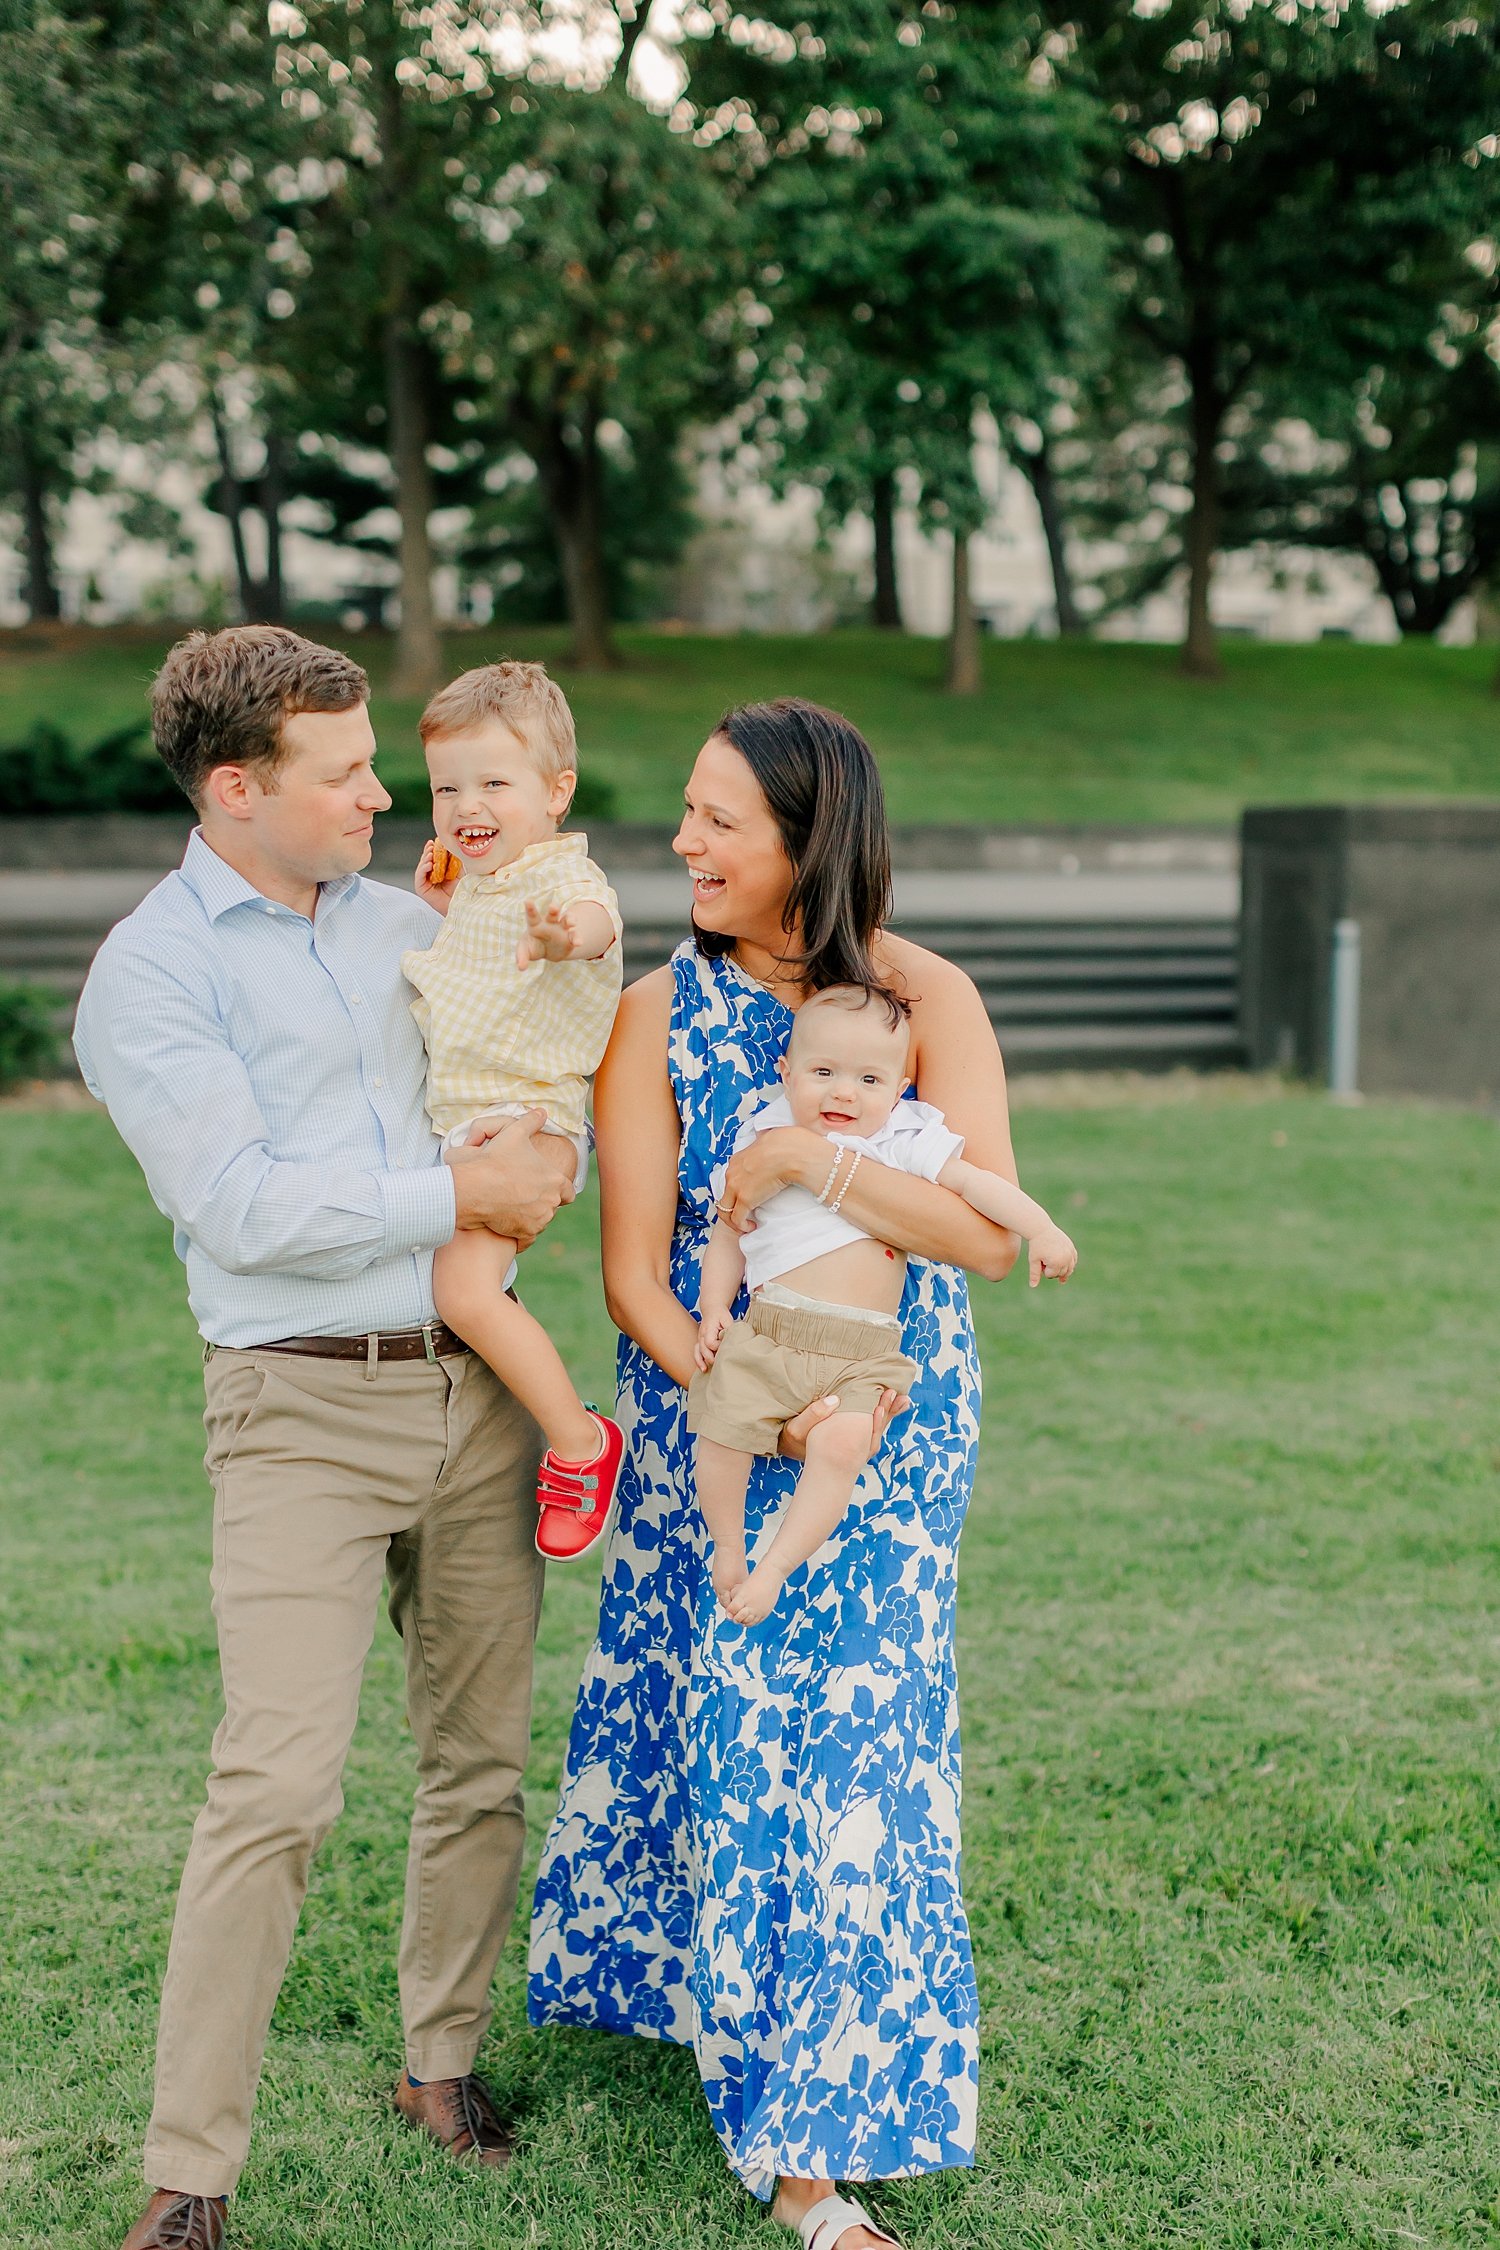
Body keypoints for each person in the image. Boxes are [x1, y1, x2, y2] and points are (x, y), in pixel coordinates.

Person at [73, 626, 574, 2250]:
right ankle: (189, 2177)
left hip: (480, 1388)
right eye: (345, 772)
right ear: (238, 789)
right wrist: (458, 1197)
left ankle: (440, 2065)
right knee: (274, 1786)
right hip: (296, 1406)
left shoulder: (415, 914)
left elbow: (554, 985)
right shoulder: (150, 976)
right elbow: (235, 1203)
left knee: (479, 1761)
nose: (382, 792)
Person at [530, 698, 1024, 2250]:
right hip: (714, 1428)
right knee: (732, 1734)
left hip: (890, 1432)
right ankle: (726, 2026)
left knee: (859, 1761)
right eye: (686, 814)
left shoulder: (926, 995)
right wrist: (745, 1394)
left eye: (718, 820)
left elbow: (990, 1233)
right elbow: (633, 1270)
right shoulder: (646, 1011)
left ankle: (813, 2154)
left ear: (811, 841)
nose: (682, 842)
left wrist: (813, 1161)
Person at [691, 982, 1077, 1623]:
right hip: (771, 1327)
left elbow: (976, 1184)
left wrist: (1042, 1228)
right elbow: (728, 1230)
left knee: (841, 1449)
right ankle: (728, 1548)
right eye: (823, 1072)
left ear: (898, 1089)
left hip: (862, 1348)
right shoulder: (763, 1133)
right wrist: (711, 1311)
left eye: (869, 1079)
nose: (844, 1092)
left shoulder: (901, 1137)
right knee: (722, 1435)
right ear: (786, 1072)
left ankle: (774, 1569)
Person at [402, 661, 626, 1561]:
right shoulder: (487, 887)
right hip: (475, 1117)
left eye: (494, 782)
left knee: (460, 1291)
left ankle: (579, 1441)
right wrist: (448, 908)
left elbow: (596, 924)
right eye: (447, 786)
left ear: (556, 790)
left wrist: (562, 936)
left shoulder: (562, 880)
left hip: (526, 1120)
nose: (465, 805)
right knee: (454, 1287)